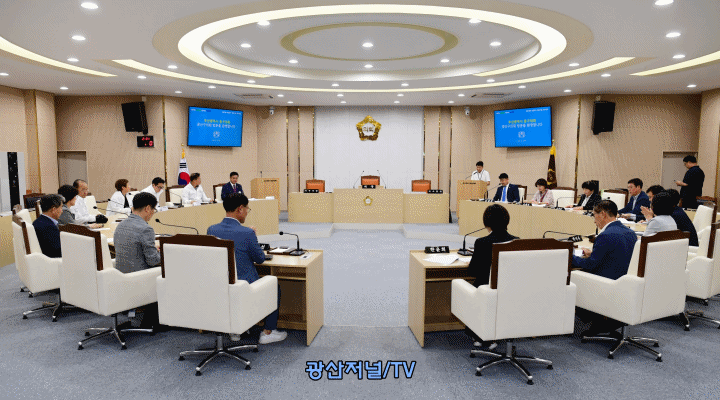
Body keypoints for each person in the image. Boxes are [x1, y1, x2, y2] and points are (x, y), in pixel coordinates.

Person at [207, 193, 286, 345]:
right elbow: (260, 259)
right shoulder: (247, 233)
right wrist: (253, 237)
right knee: (273, 285)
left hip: (220, 287)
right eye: (247, 210)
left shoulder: (212, 230)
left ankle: (235, 329)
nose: (247, 213)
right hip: (244, 288)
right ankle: (268, 332)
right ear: (240, 209)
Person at [573, 200, 638, 336]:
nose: (594, 221)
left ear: (602, 214)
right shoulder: (630, 233)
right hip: (626, 285)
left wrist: (570, 257)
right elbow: (617, 254)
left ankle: (597, 318)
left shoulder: (605, 235)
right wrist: (594, 253)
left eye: (594, 215)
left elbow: (591, 265)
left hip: (605, 285)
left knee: (571, 276)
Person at [113, 192, 162, 330]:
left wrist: (152, 248)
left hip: (121, 276)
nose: (153, 213)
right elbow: (153, 261)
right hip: (140, 279)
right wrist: (164, 252)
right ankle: (158, 319)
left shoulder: (121, 224)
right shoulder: (146, 228)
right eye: (154, 209)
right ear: (147, 208)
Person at [32, 194, 64, 258]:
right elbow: (58, 251)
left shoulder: (39, 221)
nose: (62, 211)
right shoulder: (49, 227)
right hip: (53, 261)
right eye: (61, 207)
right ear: (54, 209)